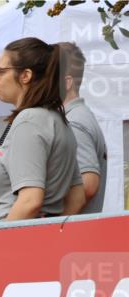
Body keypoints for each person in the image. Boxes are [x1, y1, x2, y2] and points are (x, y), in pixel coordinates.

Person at [0, 37, 85, 223]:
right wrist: (51, 235)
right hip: (37, 240)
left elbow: (30, 201)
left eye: (1, 72)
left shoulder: (29, 121)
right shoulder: (58, 119)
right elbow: (77, 196)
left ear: (26, 76)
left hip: (12, 243)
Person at [58, 42, 108, 214]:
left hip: (70, 236)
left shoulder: (73, 122)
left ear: (67, 83)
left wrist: (53, 225)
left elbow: (88, 185)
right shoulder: (77, 117)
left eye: (46, 76)